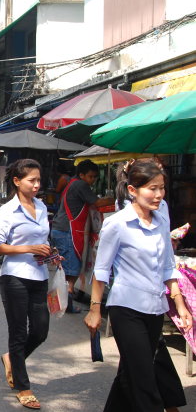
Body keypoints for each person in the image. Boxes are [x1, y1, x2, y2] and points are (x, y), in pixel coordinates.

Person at [84, 158, 191, 412]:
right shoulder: (117, 223)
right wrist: (95, 308)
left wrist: (180, 305)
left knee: (129, 375)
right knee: (145, 383)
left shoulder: (161, 220)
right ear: (132, 190)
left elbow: (167, 266)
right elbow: (102, 269)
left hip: (155, 309)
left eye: (161, 188)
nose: (158, 195)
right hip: (126, 309)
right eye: (152, 189)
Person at [0, 159, 61, 410]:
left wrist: (50, 253)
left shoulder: (41, 207)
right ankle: (23, 386)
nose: (36, 185)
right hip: (14, 277)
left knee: (40, 331)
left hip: (39, 276)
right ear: (17, 181)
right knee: (18, 333)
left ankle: (11, 359)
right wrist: (29, 248)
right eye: (31, 180)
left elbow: (42, 240)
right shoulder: (8, 210)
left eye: (39, 180)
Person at [51, 159, 113, 314]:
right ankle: (66, 305)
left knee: (66, 270)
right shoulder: (80, 185)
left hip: (62, 229)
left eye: (94, 178)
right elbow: (97, 203)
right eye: (90, 177)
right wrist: (113, 199)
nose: (92, 181)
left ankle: (63, 303)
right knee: (71, 271)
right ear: (81, 175)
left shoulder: (72, 183)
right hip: (67, 231)